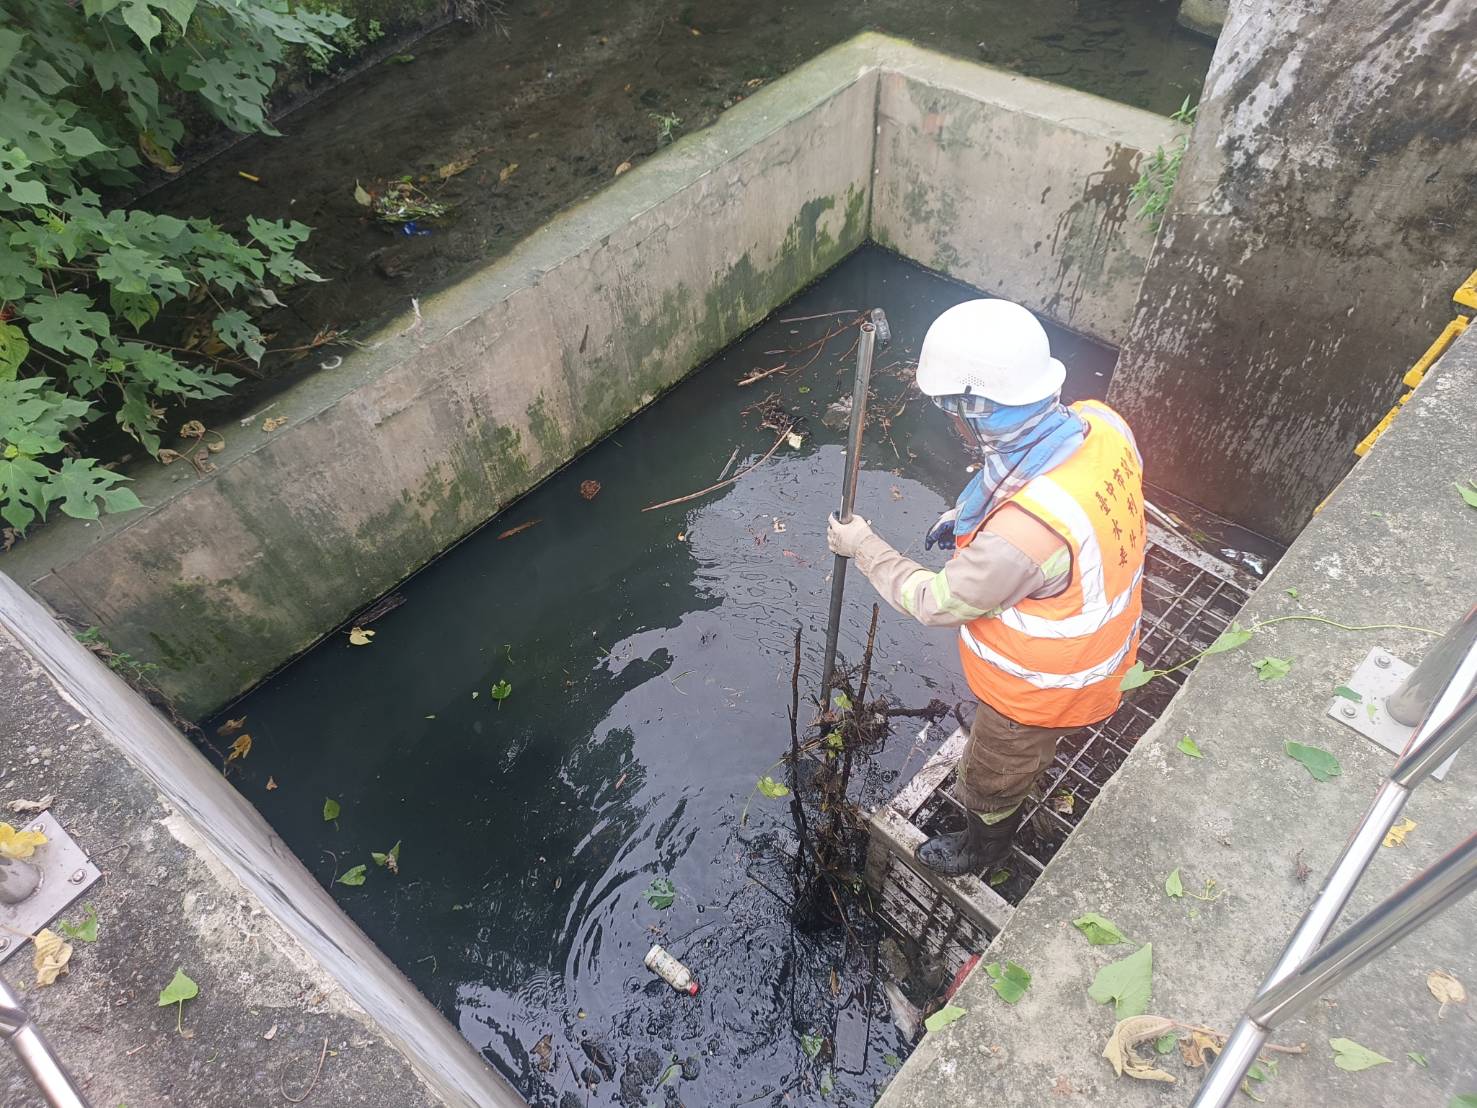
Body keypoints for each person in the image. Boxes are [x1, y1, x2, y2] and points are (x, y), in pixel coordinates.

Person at [826, 299, 1145, 876]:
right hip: (1108, 642)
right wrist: (967, 517)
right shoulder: (1102, 423)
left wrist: (864, 547)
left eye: (957, 414)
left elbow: (935, 600)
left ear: (980, 412)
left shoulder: (1020, 539)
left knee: (990, 778)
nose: (955, 426)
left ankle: (984, 847)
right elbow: (1048, 498)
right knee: (1007, 757)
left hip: (1039, 691)